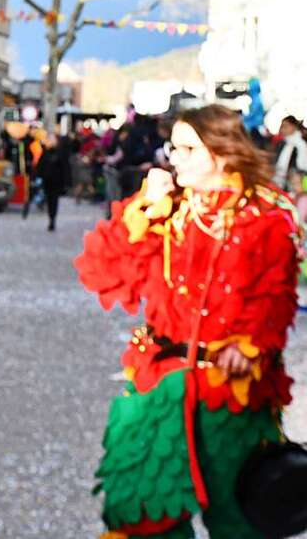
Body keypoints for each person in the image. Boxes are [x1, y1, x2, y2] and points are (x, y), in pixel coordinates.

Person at [76, 105, 301, 539]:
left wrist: (250, 343)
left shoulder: (267, 216)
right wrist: (142, 209)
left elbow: (275, 294)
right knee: (138, 506)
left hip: (228, 390)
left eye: (187, 149)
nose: (173, 158)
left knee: (237, 515)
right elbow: (103, 271)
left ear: (223, 152)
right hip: (160, 381)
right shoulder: (169, 209)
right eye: (173, 147)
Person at [36, 133, 71, 231]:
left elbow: (65, 167)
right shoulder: (45, 152)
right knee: (49, 200)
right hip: (47, 180)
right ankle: (50, 217)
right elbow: (40, 166)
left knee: (54, 200)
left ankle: (52, 219)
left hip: (56, 181)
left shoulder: (60, 152)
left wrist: (66, 182)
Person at [274, 115, 307, 194]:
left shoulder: (301, 145)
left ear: (294, 126)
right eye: (281, 127)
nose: (282, 130)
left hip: (297, 186)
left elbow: (302, 167)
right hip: (283, 183)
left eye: (285, 126)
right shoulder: (284, 144)